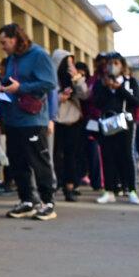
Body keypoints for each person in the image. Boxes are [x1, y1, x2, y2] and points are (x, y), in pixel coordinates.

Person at [0, 24, 58, 220]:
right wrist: (1, 87)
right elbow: (11, 82)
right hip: (14, 119)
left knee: (39, 162)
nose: (2, 47)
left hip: (32, 119)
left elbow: (49, 83)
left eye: (4, 42)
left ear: (15, 39)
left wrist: (20, 87)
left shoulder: (38, 55)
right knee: (17, 162)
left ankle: (48, 202)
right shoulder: (13, 58)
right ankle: (27, 201)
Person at [91, 52, 139, 204]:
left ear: (121, 65)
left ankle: (131, 189)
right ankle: (109, 190)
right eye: (109, 63)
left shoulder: (130, 81)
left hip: (125, 122)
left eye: (116, 63)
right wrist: (107, 88)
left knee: (126, 155)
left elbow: (136, 102)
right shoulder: (100, 83)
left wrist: (119, 88)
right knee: (108, 156)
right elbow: (97, 103)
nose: (112, 66)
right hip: (107, 123)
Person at [51, 49, 89, 202]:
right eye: (67, 63)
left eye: (72, 62)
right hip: (55, 120)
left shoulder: (75, 78)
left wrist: (77, 77)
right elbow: (44, 98)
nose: (70, 66)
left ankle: (70, 187)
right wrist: (58, 98)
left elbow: (85, 94)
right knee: (54, 155)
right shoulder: (52, 79)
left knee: (71, 155)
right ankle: (54, 185)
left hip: (74, 121)